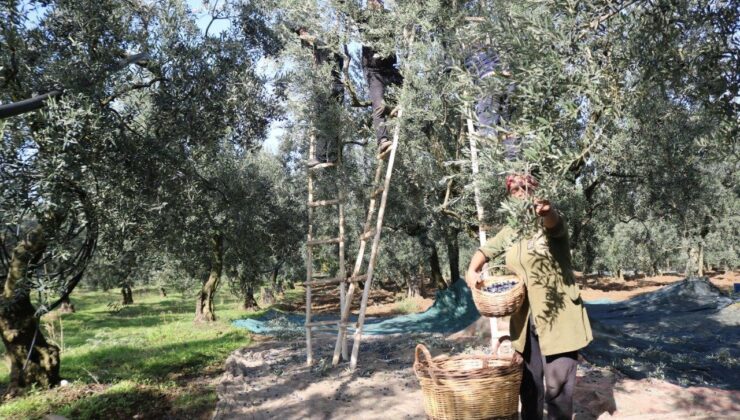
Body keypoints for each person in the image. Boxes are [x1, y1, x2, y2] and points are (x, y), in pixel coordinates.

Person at [465, 173, 593, 420]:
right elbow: (487, 249)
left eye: (525, 188)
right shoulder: (512, 230)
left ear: (535, 191)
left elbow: (555, 225)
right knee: (529, 388)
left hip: (559, 320)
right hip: (525, 322)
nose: (520, 194)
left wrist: (547, 211)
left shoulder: (548, 224)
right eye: (514, 191)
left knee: (557, 391)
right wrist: (472, 268)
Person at [361, 0, 403, 157]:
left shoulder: (388, 17)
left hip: (389, 68)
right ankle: (383, 141)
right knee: (378, 105)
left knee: (408, 88)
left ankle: (394, 107)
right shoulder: (364, 18)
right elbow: (347, 9)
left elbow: (403, 19)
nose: (374, 3)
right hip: (373, 71)